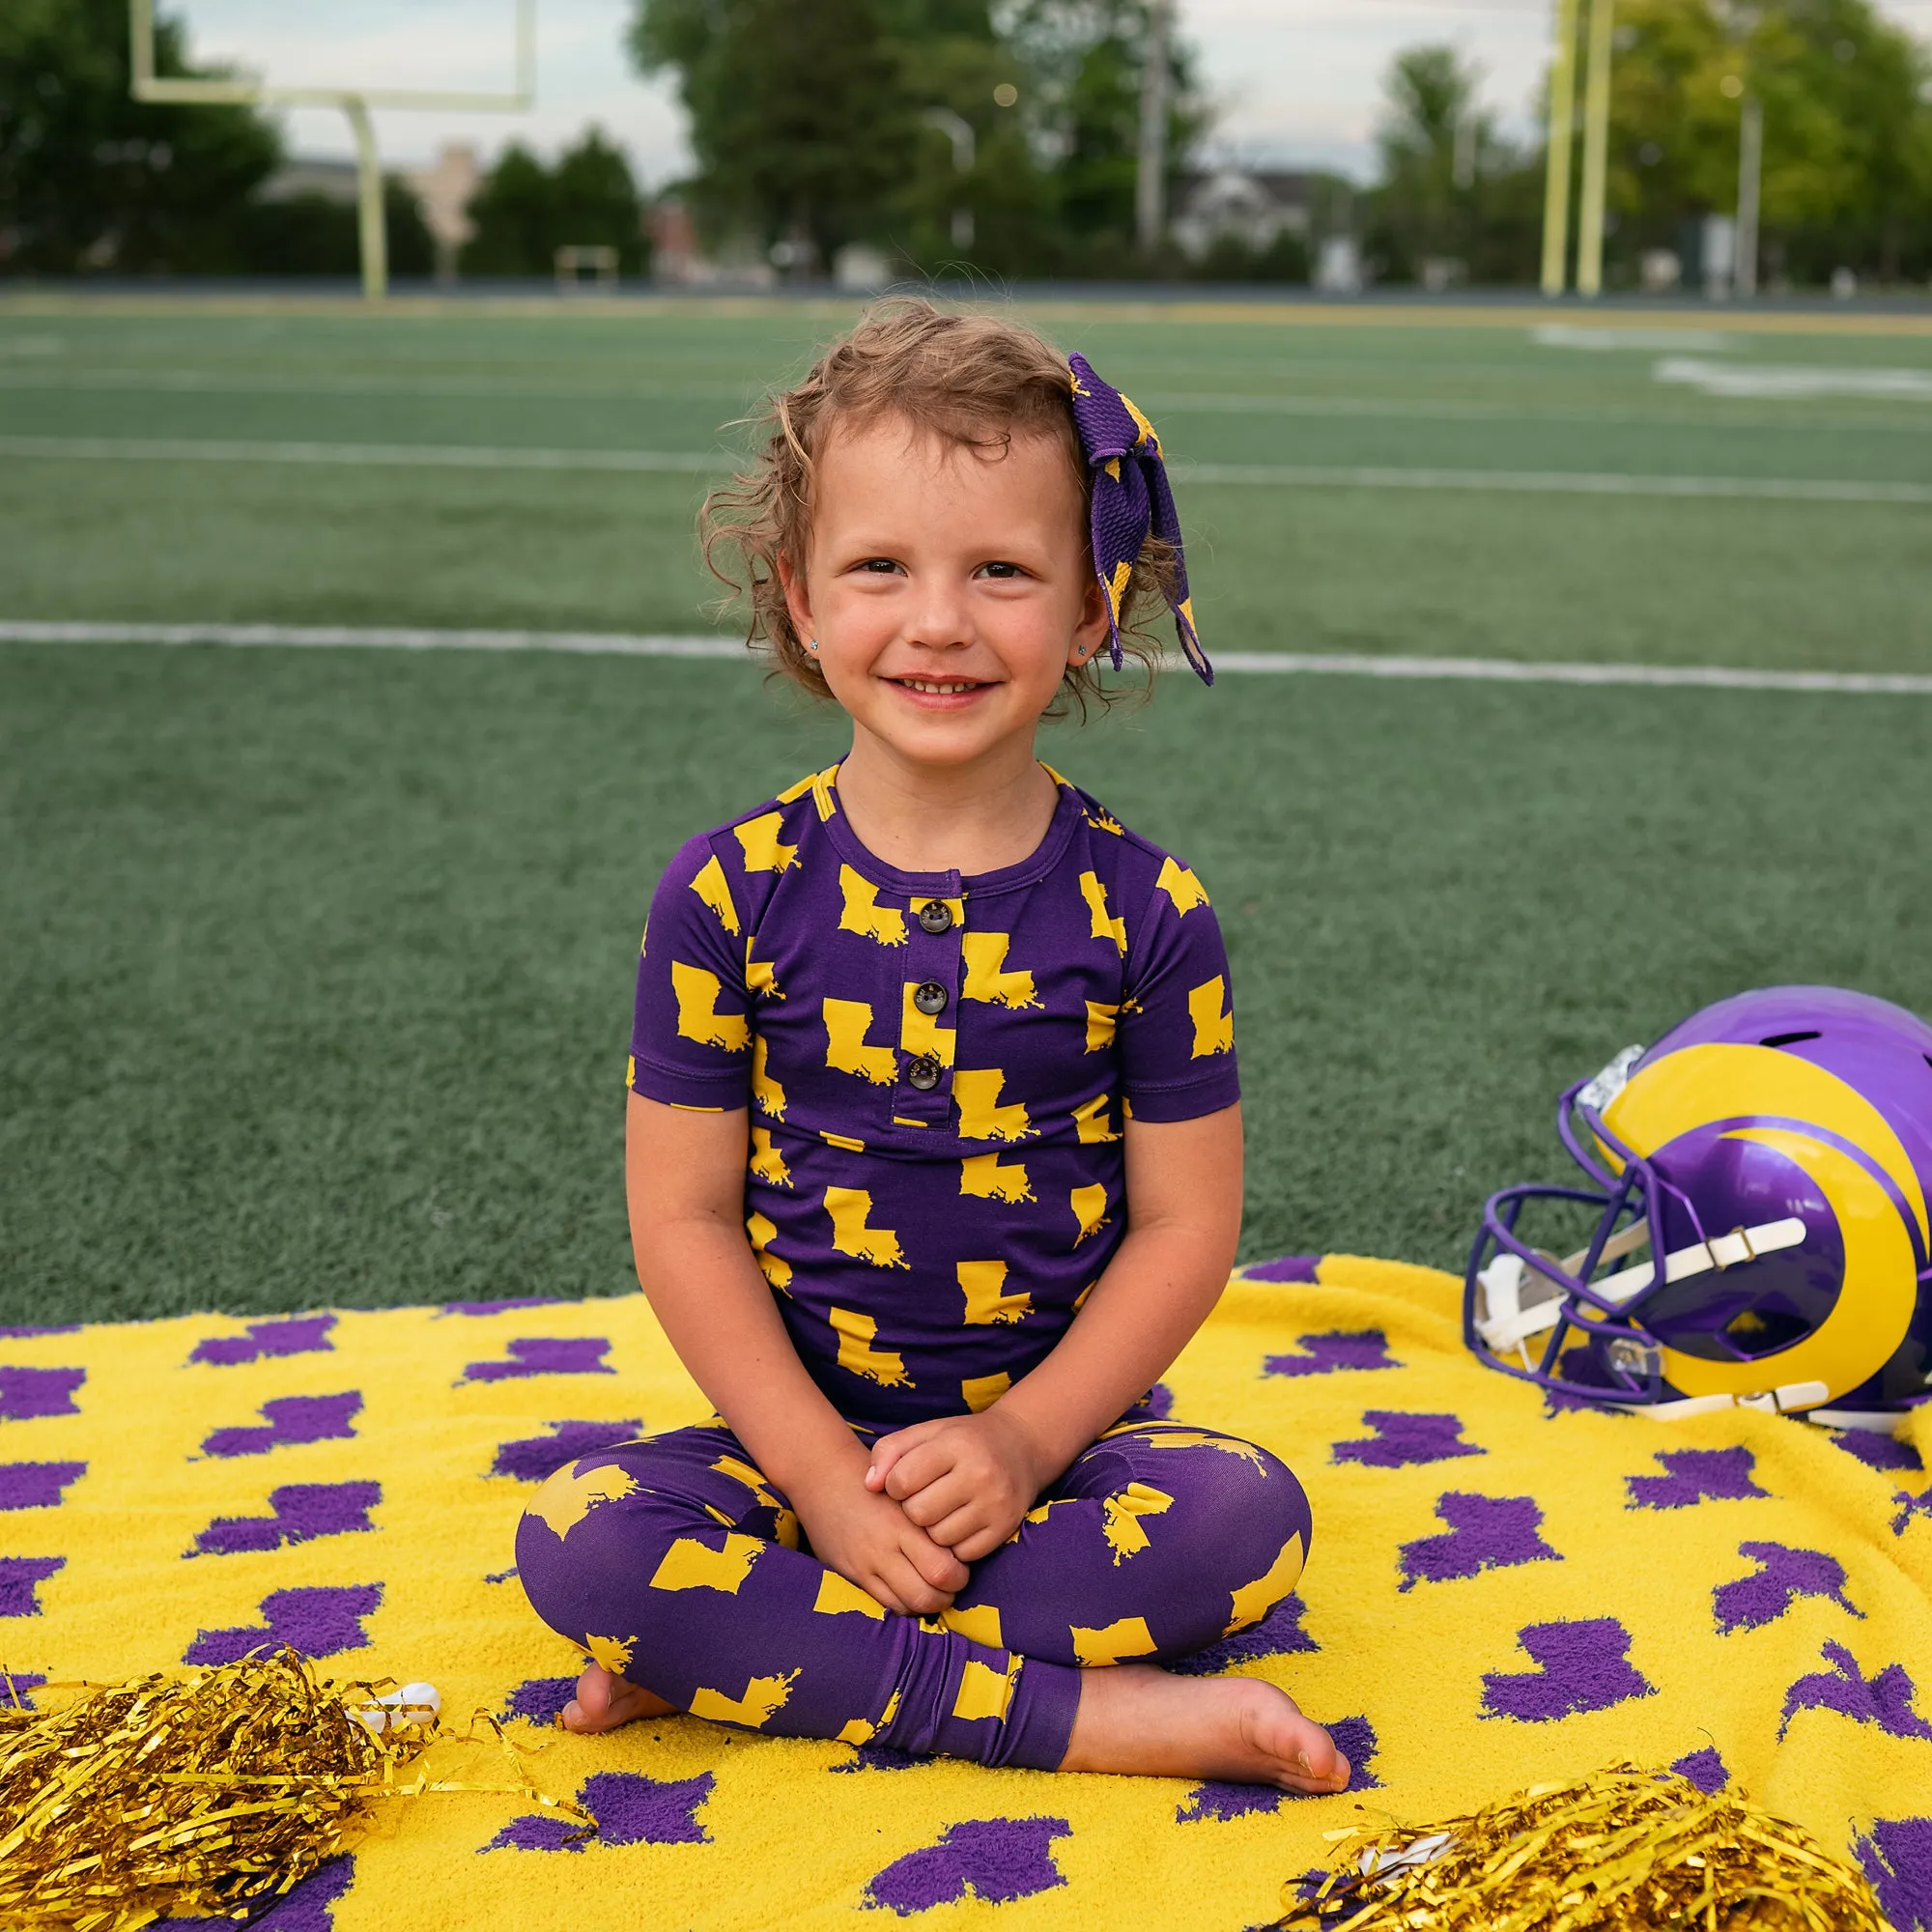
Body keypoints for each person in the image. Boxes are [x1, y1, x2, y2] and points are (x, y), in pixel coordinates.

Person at [515, 300, 1349, 1793]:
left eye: (1004, 572)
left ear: (1095, 604)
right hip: (790, 1455)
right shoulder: (725, 895)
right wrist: (826, 1484)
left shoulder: (1149, 911)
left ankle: (768, 1663)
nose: (940, 621)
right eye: (882, 567)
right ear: (802, 597)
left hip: (1054, 1466)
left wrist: (1025, 1443)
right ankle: (1091, 1720)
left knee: (1249, 1519)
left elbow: (1186, 1225)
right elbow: (685, 1217)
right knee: (582, 1537)